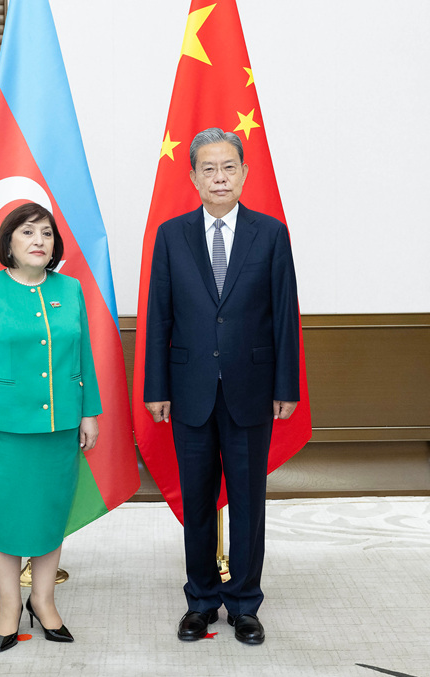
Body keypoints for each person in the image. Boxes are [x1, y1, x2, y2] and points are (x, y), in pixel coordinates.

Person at [143, 128, 301, 645]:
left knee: (248, 502)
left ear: (244, 173)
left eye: (228, 167)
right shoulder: (171, 235)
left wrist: (286, 385)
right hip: (189, 389)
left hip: (251, 388)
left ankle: (244, 604)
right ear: (193, 177)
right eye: (208, 169)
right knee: (197, 501)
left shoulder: (270, 233)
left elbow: (285, 314)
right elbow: (159, 315)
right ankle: (202, 600)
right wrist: (156, 387)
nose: (219, 177)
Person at [0, 202, 101, 651]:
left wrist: (89, 412)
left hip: (59, 426)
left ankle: (44, 600)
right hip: (2, 430)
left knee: (51, 513)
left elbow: (84, 356)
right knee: (6, 516)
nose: (39, 241)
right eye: (28, 232)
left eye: (47, 233)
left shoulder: (70, 289)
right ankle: (9, 604)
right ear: (9, 243)